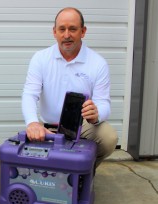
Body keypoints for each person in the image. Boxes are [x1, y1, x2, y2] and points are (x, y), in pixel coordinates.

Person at [22, 7, 118, 168]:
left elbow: (104, 103)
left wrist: (96, 114)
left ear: (83, 31)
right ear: (54, 32)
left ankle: (84, 172)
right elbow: (29, 95)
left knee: (109, 138)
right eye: (62, 29)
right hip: (49, 127)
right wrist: (32, 122)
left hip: (81, 126)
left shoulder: (98, 63)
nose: (67, 35)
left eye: (72, 29)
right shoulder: (40, 58)